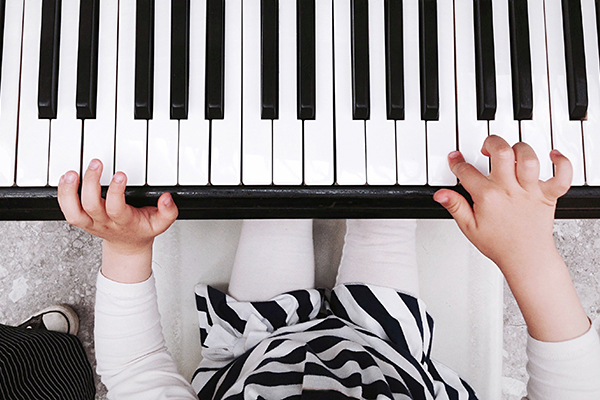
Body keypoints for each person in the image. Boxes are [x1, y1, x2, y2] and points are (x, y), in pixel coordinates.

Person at [55, 135, 600, 399]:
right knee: (392, 200)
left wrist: (126, 250)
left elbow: (136, 371)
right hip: (389, 351)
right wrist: (529, 255)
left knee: (273, 196)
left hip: (255, 352)